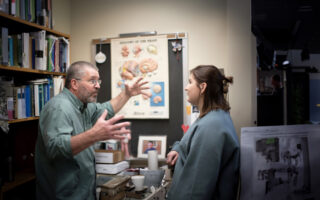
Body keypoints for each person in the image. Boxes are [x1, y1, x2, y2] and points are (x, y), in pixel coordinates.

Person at [35, 61, 149, 200]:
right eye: (92, 81)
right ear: (74, 84)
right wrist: (93, 135)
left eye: (98, 80)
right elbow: (56, 148)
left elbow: (107, 109)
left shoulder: (84, 106)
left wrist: (127, 94)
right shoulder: (59, 108)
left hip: (84, 193)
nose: (98, 85)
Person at [166, 65, 240, 200]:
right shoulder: (212, 117)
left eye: (190, 82)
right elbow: (191, 140)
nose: (186, 87)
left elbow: (196, 189)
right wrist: (179, 149)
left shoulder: (211, 126)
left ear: (203, 87)